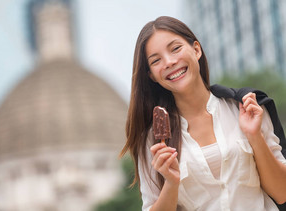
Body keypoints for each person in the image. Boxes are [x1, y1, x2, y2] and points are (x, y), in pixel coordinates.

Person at [120, 16, 286, 210]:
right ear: (152, 76)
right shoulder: (152, 142)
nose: (169, 62)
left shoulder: (248, 109)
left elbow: (282, 192)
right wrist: (171, 183)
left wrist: (255, 137)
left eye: (175, 49)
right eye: (156, 60)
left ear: (196, 50)